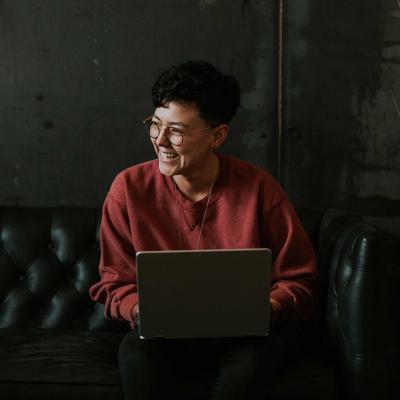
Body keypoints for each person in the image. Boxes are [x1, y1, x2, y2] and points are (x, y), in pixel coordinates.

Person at [89, 60, 317, 399]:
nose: (161, 140)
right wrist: (142, 309)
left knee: (258, 357)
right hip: (160, 339)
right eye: (155, 124)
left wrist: (265, 306)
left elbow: (300, 280)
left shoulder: (259, 189)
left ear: (218, 136)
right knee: (137, 356)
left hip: (242, 338)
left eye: (177, 131)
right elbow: (113, 283)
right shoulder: (128, 188)